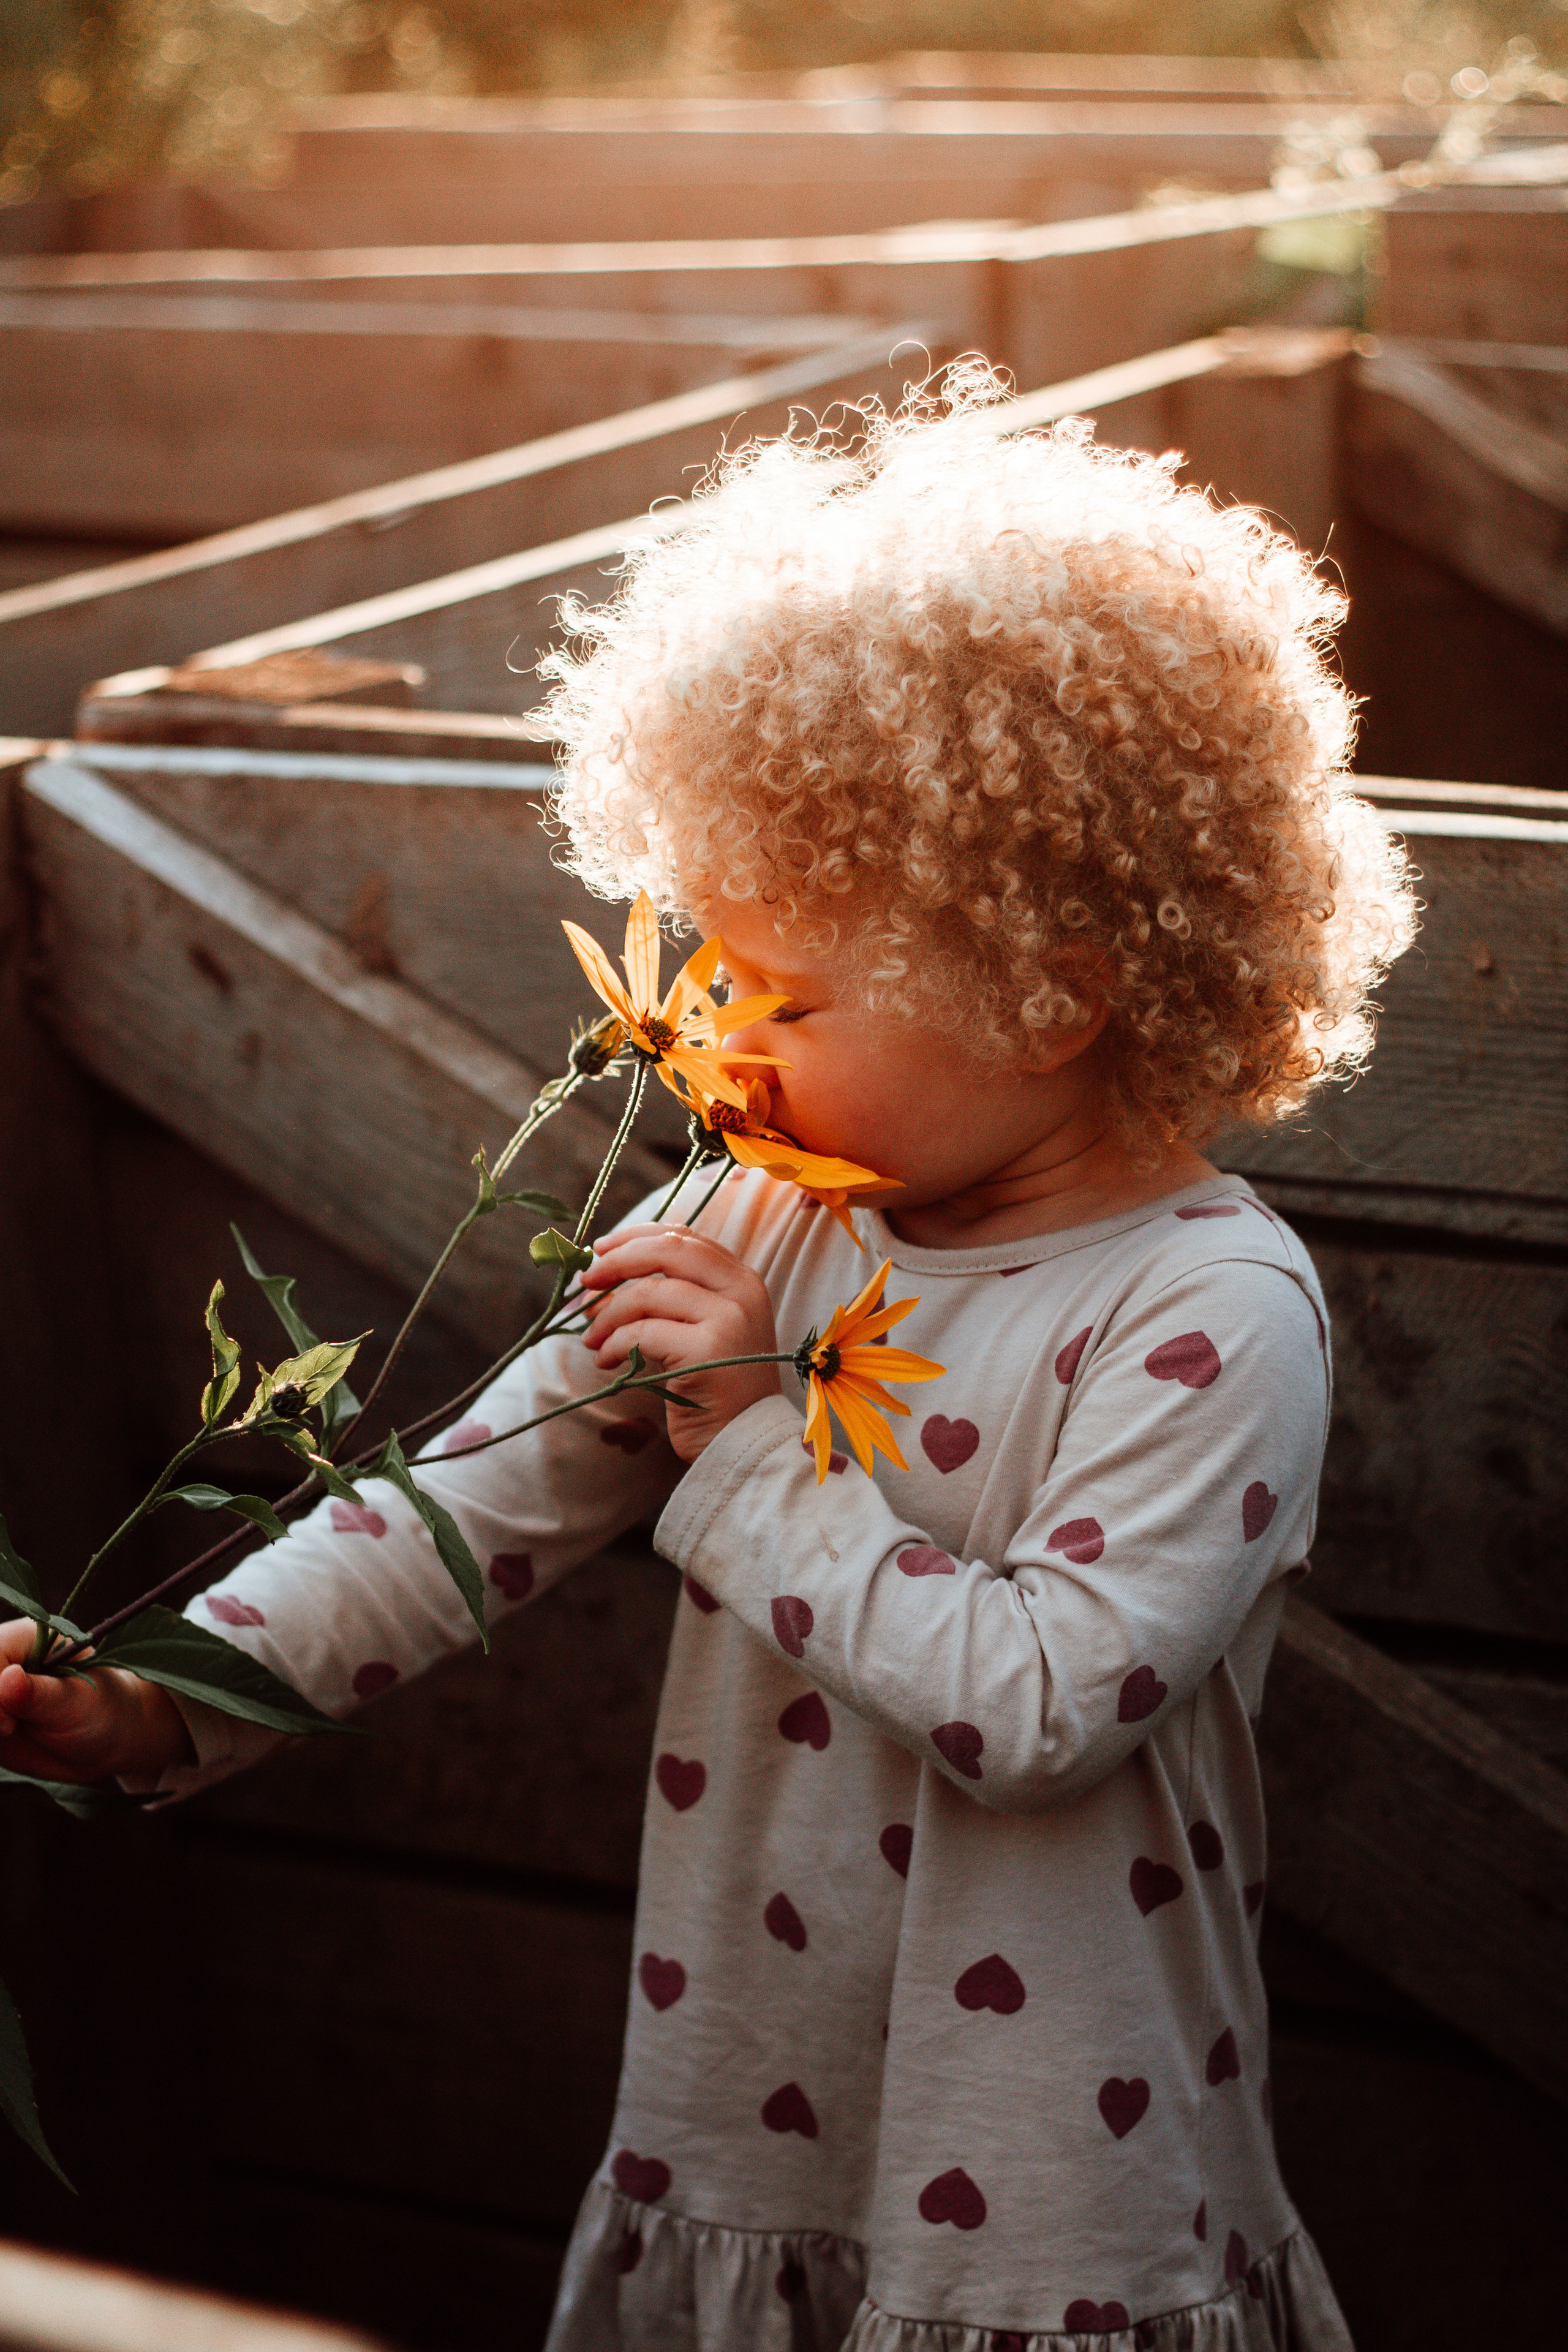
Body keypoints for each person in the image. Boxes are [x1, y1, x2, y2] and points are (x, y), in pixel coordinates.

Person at [0, 375, 1414, 2350]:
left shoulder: (1207, 1311)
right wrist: (166, 1702)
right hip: (750, 2129)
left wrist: (746, 1448)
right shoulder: (774, 1215)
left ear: (1051, 986)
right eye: (714, 970)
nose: (719, 1040)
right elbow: (468, 1501)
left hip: (1050, 2195)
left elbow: (1044, 1701)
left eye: (786, 991)